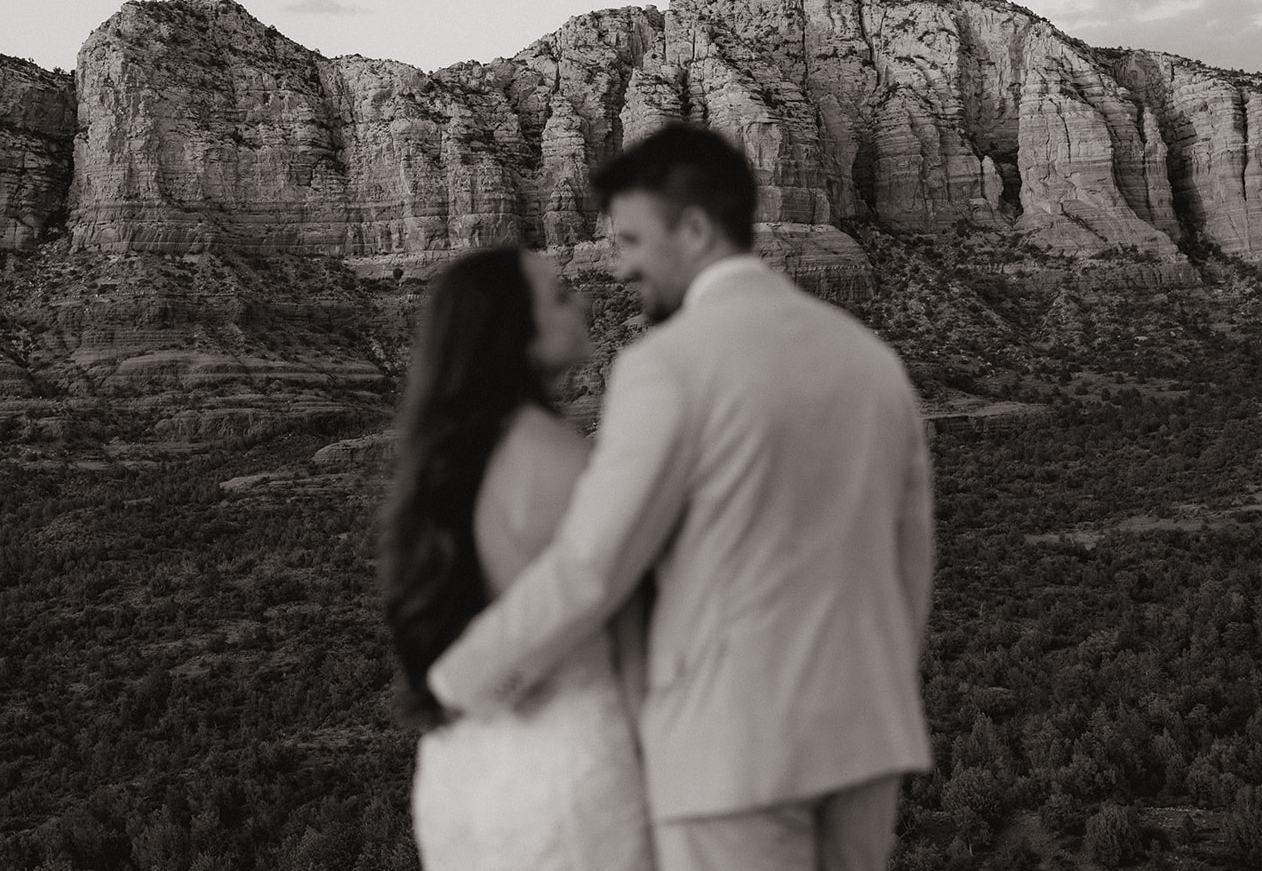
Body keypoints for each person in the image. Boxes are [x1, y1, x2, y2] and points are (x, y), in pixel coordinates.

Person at [428, 123, 935, 871]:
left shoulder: (666, 364)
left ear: (695, 229)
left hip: (730, 750)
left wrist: (461, 678)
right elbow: (911, 557)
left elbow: (594, 563)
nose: (621, 265)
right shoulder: (872, 360)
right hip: (867, 738)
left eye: (632, 240)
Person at [380, 246, 655, 871]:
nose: (583, 299)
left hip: (462, 775)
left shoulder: (445, 467)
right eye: (559, 296)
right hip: (571, 777)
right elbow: (637, 651)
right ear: (514, 336)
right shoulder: (562, 462)